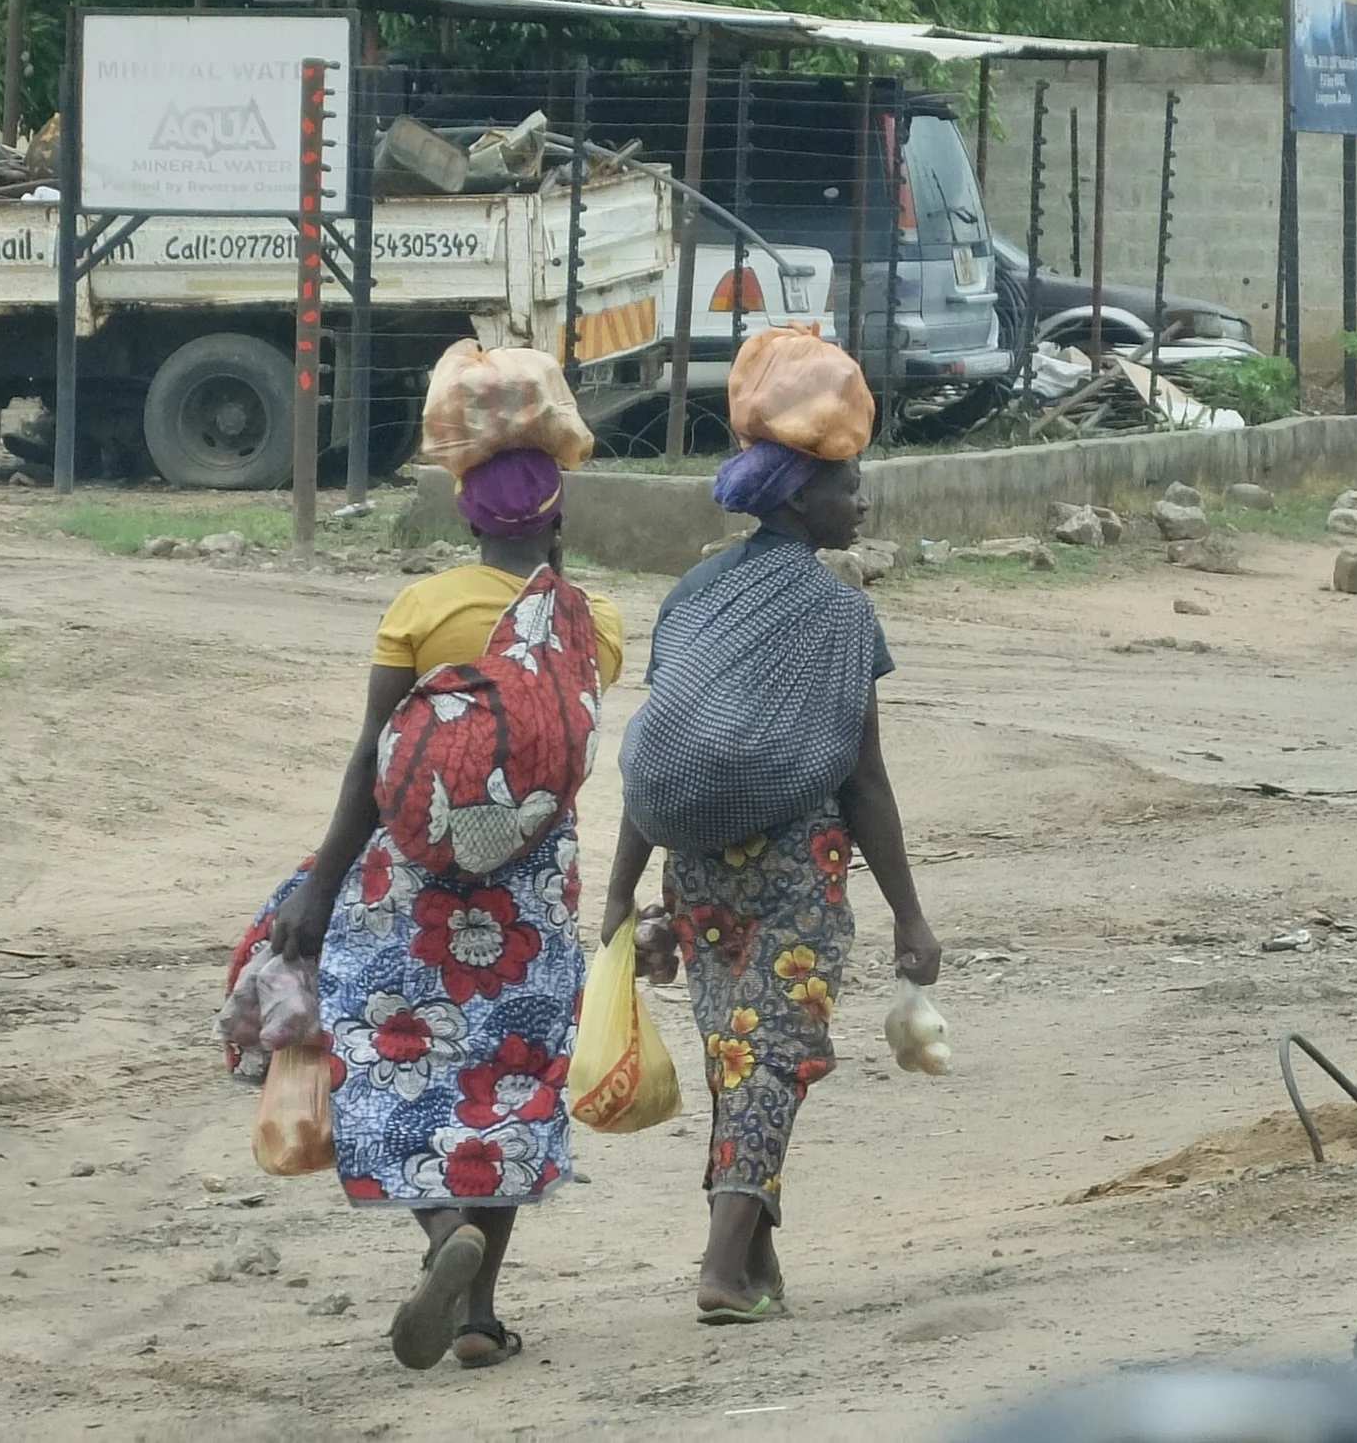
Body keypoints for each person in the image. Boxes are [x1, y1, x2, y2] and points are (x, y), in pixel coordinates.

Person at [263, 442, 624, 1371]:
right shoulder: (595, 627)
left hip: (411, 884)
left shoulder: (421, 610)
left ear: (466, 517)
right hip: (530, 897)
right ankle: (478, 1316)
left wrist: (321, 881)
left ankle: (439, 1230)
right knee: (507, 1081)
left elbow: (370, 765)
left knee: (387, 1061)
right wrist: (559, 569)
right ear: (558, 520)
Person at [600, 437, 942, 1324]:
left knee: (738, 1056)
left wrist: (621, 889)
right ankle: (720, 1267)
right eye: (846, 487)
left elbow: (663, 749)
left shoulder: (692, 596)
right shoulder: (840, 614)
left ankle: (756, 1256)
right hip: (797, 868)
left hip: (698, 872)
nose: (860, 504)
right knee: (769, 1059)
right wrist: (910, 913)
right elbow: (863, 780)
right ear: (798, 501)